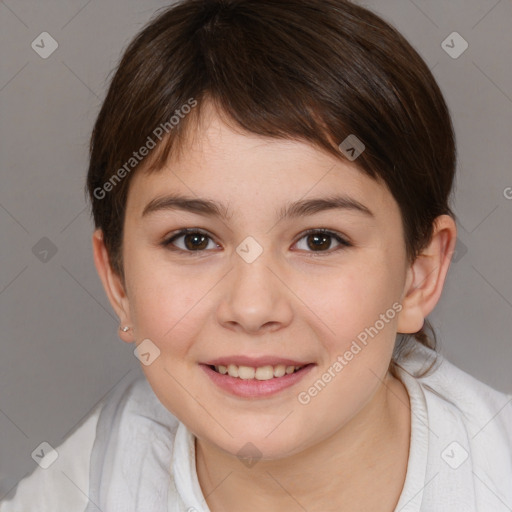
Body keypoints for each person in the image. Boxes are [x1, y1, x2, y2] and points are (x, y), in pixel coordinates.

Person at [2, 0, 511, 511]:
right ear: (118, 281)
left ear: (418, 276)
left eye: (320, 240)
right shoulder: (86, 485)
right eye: (193, 240)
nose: (252, 307)